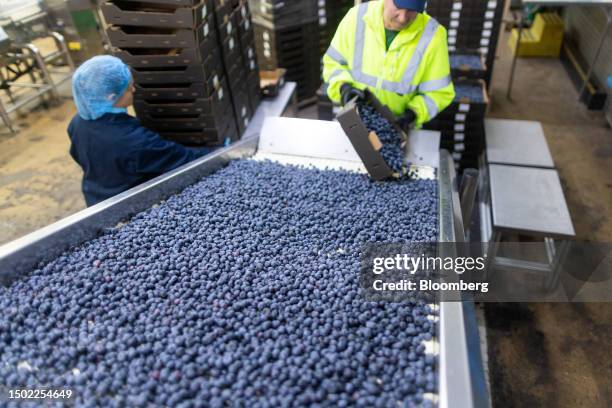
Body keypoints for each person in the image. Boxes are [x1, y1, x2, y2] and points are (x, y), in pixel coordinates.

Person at [68, 55, 210, 207]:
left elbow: (78, 155)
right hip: (127, 206)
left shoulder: (77, 123)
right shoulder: (135, 142)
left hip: (95, 197)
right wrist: (222, 151)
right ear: (111, 97)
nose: (134, 90)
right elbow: (185, 158)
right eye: (129, 88)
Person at [323, 0, 455, 130]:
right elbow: (334, 62)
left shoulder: (433, 35)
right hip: (353, 121)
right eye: (398, 6)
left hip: (397, 129)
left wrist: (413, 114)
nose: (403, 18)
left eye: (411, 10)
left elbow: (438, 92)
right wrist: (343, 87)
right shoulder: (356, 17)